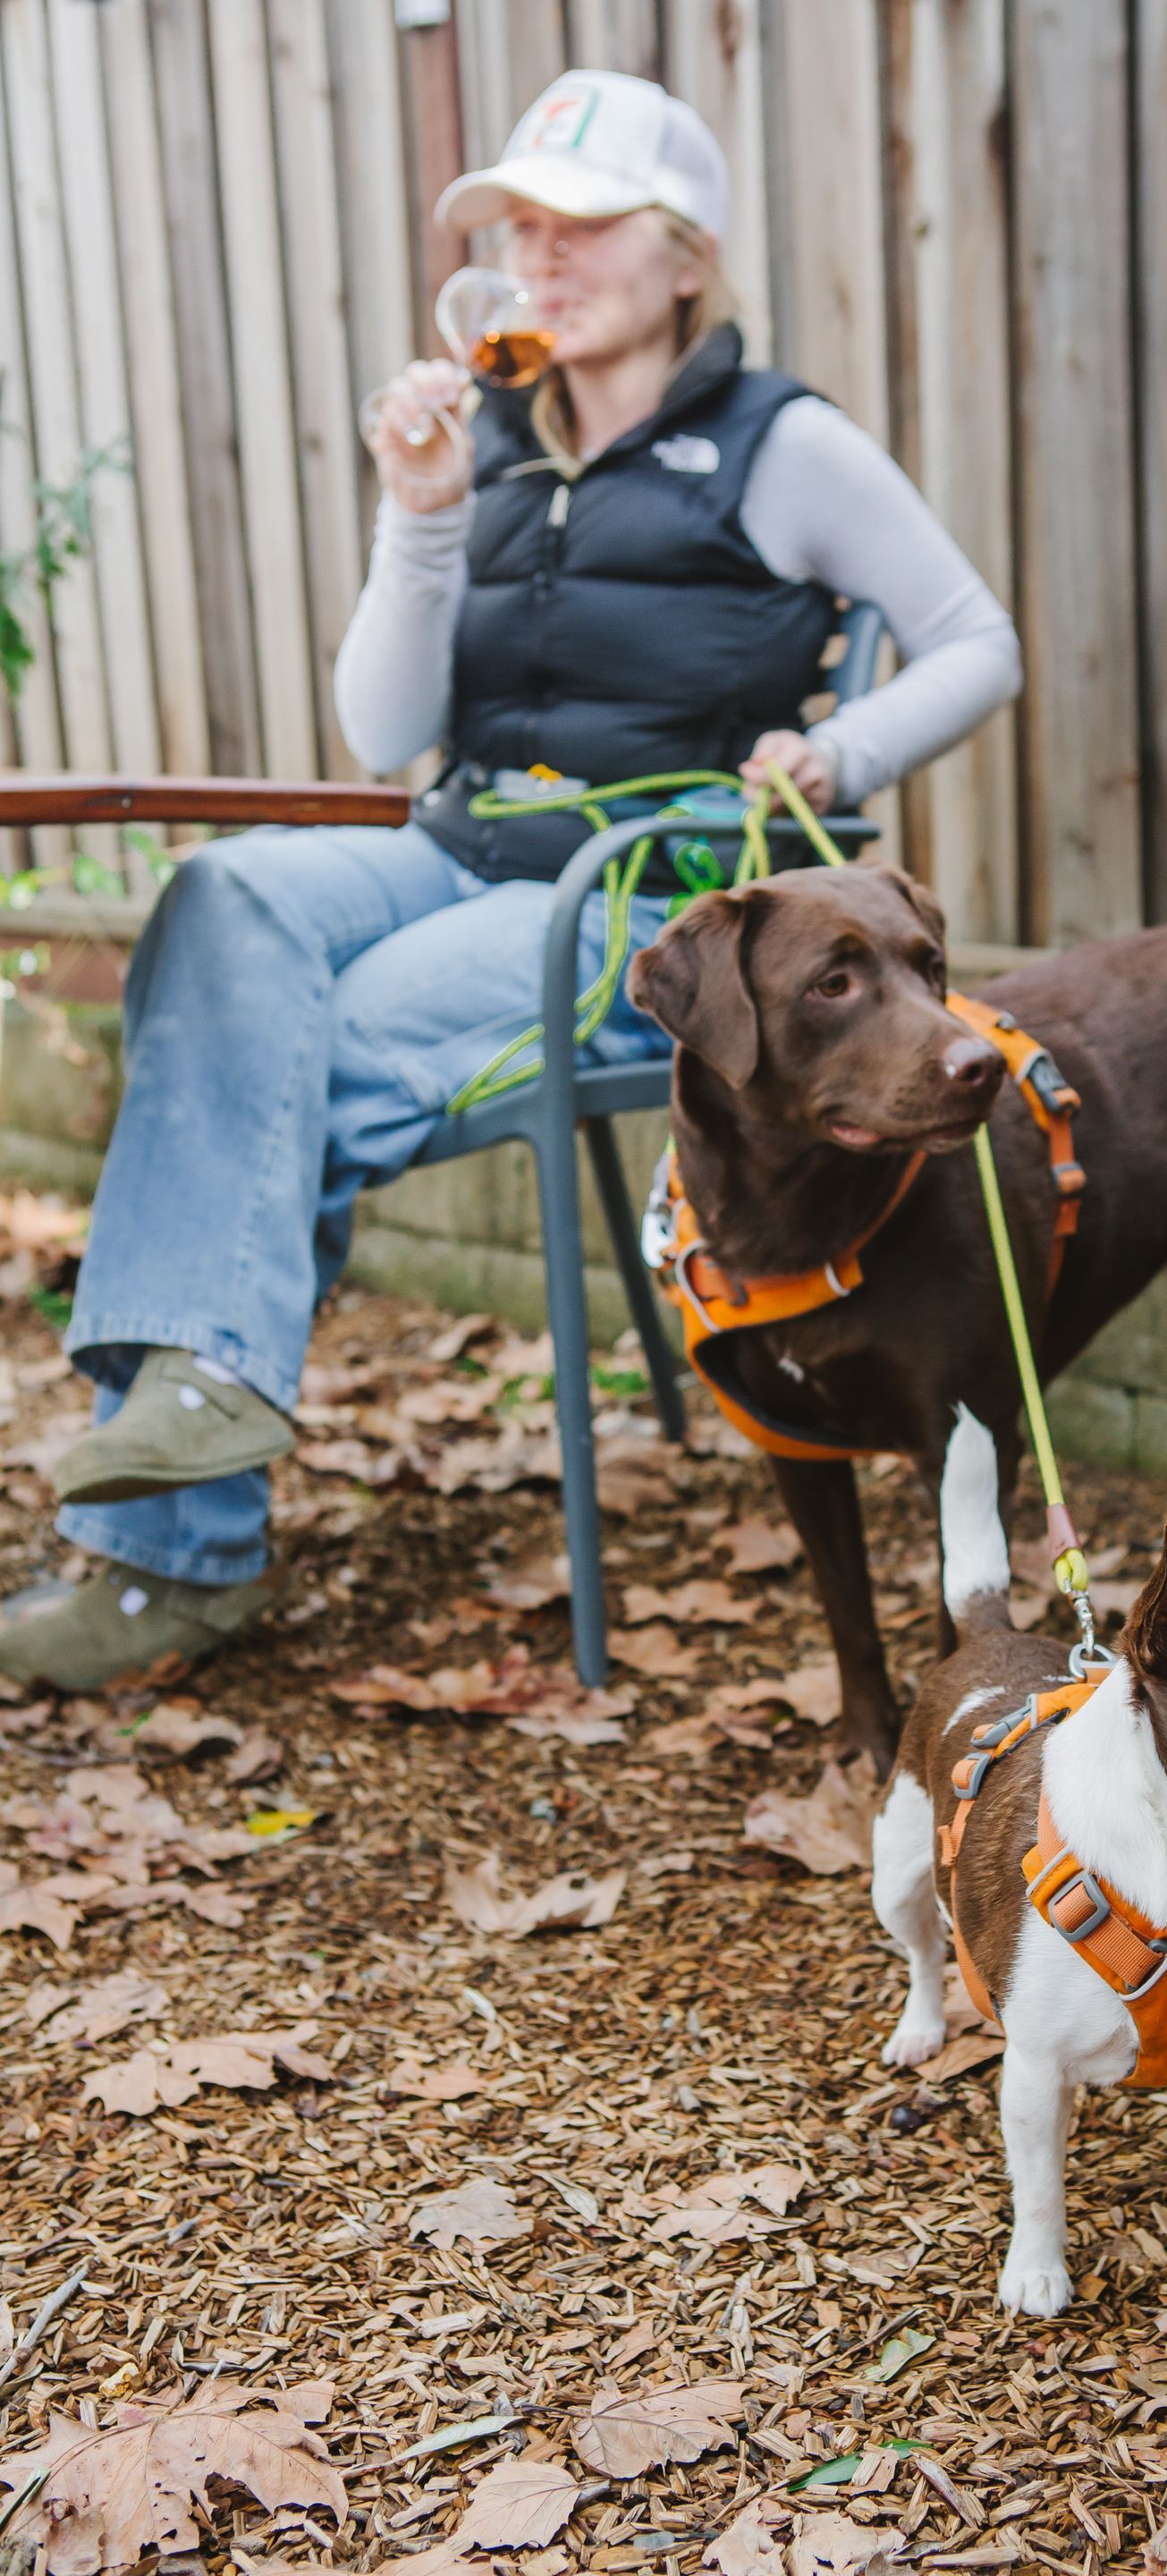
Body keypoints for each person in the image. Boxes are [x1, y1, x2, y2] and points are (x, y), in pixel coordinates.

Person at [0, 69, 1020, 1693]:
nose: (539, 257)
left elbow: (977, 640)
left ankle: (168, 1551)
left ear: (685, 255)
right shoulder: (486, 439)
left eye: (581, 226)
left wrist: (839, 754)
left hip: (628, 903)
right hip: (450, 846)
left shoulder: (784, 444)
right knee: (225, 901)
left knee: (284, 1071)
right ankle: (207, 1393)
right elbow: (389, 729)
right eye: (517, 229)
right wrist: (420, 523)